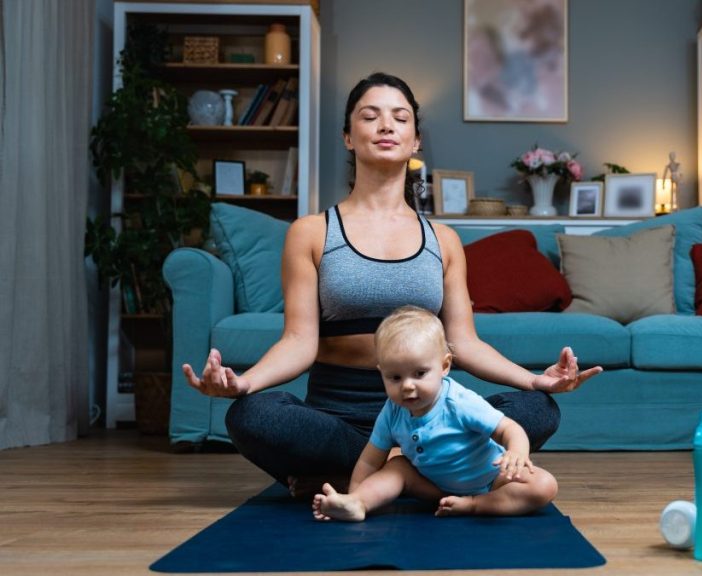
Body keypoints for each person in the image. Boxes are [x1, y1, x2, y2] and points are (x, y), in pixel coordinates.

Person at [181, 72, 602, 496]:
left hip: (434, 418)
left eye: (400, 118)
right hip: (340, 418)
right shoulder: (310, 232)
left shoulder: (444, 241)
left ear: (415, 139)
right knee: (250, 414)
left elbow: (464, 344)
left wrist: (536, 381)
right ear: (348, 136)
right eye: (370, 116)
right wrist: (245, 383)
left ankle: (376, 477)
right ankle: (410, 473)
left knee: (538, 410)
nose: (386, 126)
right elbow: (298, 341)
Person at [312, 306, 557, 521]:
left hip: (491, 481)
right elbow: (369, 460)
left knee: (543, 485)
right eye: (395, 377)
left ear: (444, 366)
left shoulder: (458, 402)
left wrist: (517, 452)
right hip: (435, 488)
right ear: (382, 373)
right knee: (397, 467)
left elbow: (509, 429)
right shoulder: (392, 410)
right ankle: (358, 505)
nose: (407, 385)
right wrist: (355, 493)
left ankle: (475, 506)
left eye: (419, 374)